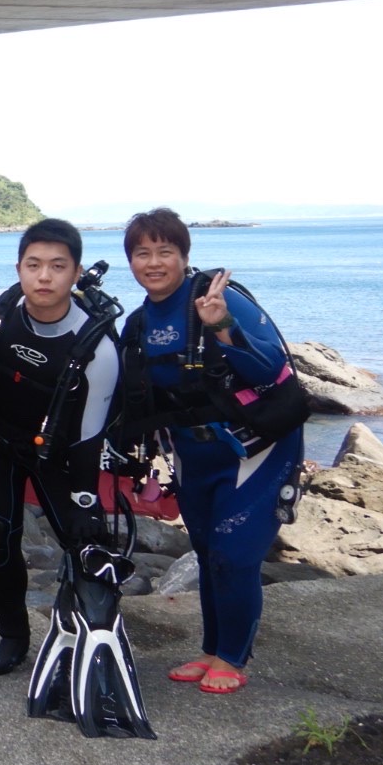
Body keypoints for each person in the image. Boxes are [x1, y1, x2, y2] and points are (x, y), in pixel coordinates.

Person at [117, 207, 305, 695]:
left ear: (184, 256)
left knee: (234, 555)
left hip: (255, 450)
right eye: (142, 253)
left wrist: (223, 327)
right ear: (130, 261)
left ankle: (233, 658)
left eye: (165, 251)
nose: (153, 263)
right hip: (191, 455)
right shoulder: (137, 324)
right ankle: (211, 650)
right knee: (207, 553)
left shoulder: (220, 300)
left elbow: (274, 369)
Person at [0, 219, 117, 676]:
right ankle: (13, 636)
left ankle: (93, 634)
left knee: (84, 539)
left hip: (60, 453)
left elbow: (90, 433)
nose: (44, 276)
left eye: (57, 266)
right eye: (33, 265)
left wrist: (86, 498)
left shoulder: (97, 345)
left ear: (76, 273)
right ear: (19, 269)